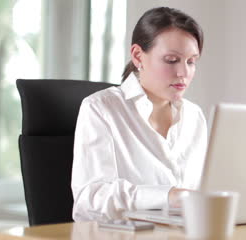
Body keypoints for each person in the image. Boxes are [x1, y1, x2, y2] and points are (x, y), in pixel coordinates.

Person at [71, 7, 207, 221]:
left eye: (191, 61)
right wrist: (168, 196)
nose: (183, 73)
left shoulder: (194, 116)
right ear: (137, 56)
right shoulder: (101, 108)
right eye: (171, 60)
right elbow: (90, 200)